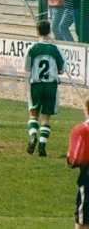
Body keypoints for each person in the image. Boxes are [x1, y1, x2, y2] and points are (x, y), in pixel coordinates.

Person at [24, 20, 65, 157]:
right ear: (49, 31)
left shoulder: (32, 48)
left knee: (33, 114)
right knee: (46, 118)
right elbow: (61, 70)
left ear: (37, 31)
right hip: (51, 86)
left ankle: (33, 136)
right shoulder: (55, 49)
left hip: (36, 85)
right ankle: (42, 144)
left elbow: (27, 69)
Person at [67, 98, 89, 229]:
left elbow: (74, 160)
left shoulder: (81, 130)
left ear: (86, 109)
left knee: (83, 222)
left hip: (87, 179)